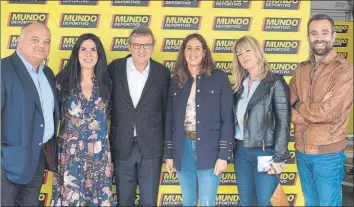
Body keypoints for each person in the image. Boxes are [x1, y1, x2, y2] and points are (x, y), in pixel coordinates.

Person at [290, 14, 353, 206]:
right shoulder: (301, 70)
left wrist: (299, 105)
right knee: (311, 203)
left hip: (328, 154)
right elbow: (286, 108)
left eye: (325, 33)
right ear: (308, 37)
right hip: (302, 150)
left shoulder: (344, 70)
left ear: (333, 36)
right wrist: (311, 111)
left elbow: (329, 112)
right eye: (314, 33)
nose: (319, 38)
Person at [164, 33, 234, 206]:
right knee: (188, 201)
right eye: (189, 48)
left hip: (210, 148)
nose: (193, 52)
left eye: (197, 48)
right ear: (183, 52)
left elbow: (228, 119)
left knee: (207, 202)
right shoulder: (176, 80)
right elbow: (170, 120)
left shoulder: (218, 77)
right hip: (183, 148)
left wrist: (223, 155)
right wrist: (169, 154)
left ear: (204, 52)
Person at [108, 26, 170, 206]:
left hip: (152, 147)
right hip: (122, 146)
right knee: (124, 200)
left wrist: (168, 149)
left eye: (147, 45)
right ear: (129, 46)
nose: (142, 50)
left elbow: (166, 112)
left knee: (149, 201)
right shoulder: (114, 69)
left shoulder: (163, 73)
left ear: (153, 47)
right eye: (137, 45)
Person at [50, 33, 114, 206]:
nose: (88, 54)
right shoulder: (61, 81)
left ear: (99, 54)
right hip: (70, 155)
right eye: (83, 49)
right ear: (76, 53)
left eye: (93, 49)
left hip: (99, 156)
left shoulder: (107, 83)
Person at [1, 22, 60, 206]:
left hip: (36, 160)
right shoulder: (4, 69)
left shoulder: (48, 73)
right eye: (35, 39)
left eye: (46, 41)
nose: (41, 45)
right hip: (6, 163)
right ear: (19, 42)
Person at [231, 36, 290, 206]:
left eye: (248, 51)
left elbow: (283, 122)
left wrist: (279, 158)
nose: (244, 56)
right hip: (241, 151)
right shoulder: (240, 85)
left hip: (265, 152)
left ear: (257, 52)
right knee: (246, 202)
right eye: (239, 53)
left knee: (266, 202)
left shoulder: (275, 82)